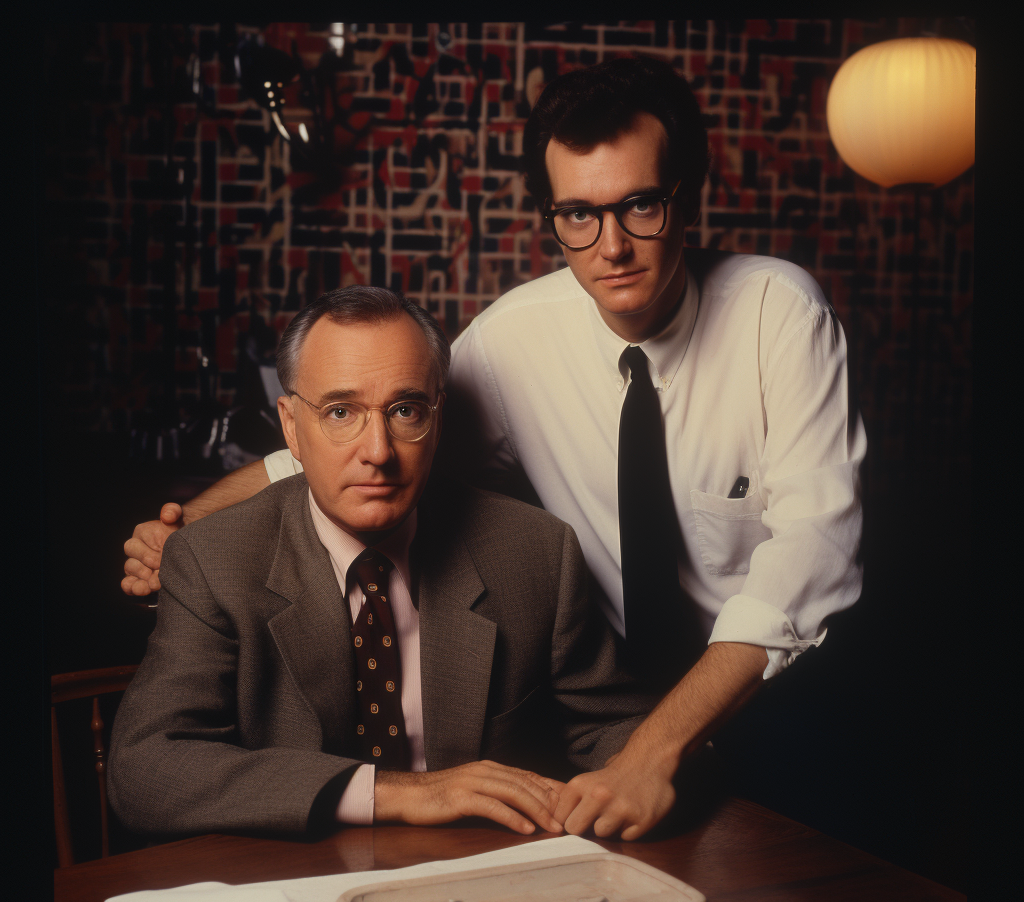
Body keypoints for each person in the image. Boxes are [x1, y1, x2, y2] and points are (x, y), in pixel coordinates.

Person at [122, 56, 865, 843]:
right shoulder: (517, 335)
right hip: (619, 725)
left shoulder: (780, 314)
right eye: (577, 214)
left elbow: (810, 556)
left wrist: (652, 754)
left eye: (640, 205)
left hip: (781, 704)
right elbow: (372, 434)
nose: (610, 245)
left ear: (690, 198)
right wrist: (185, 526)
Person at [108, 286, 654, 840]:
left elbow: (618, 731)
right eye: (341, 412)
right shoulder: (213, 562)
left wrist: (648, 769)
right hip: (293, 884)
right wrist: (395, 792)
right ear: (292, 427)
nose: (378, 451)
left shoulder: (534, 551)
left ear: (438, 420)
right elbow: (145, 770)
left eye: (406, 410)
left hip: (478, 880)